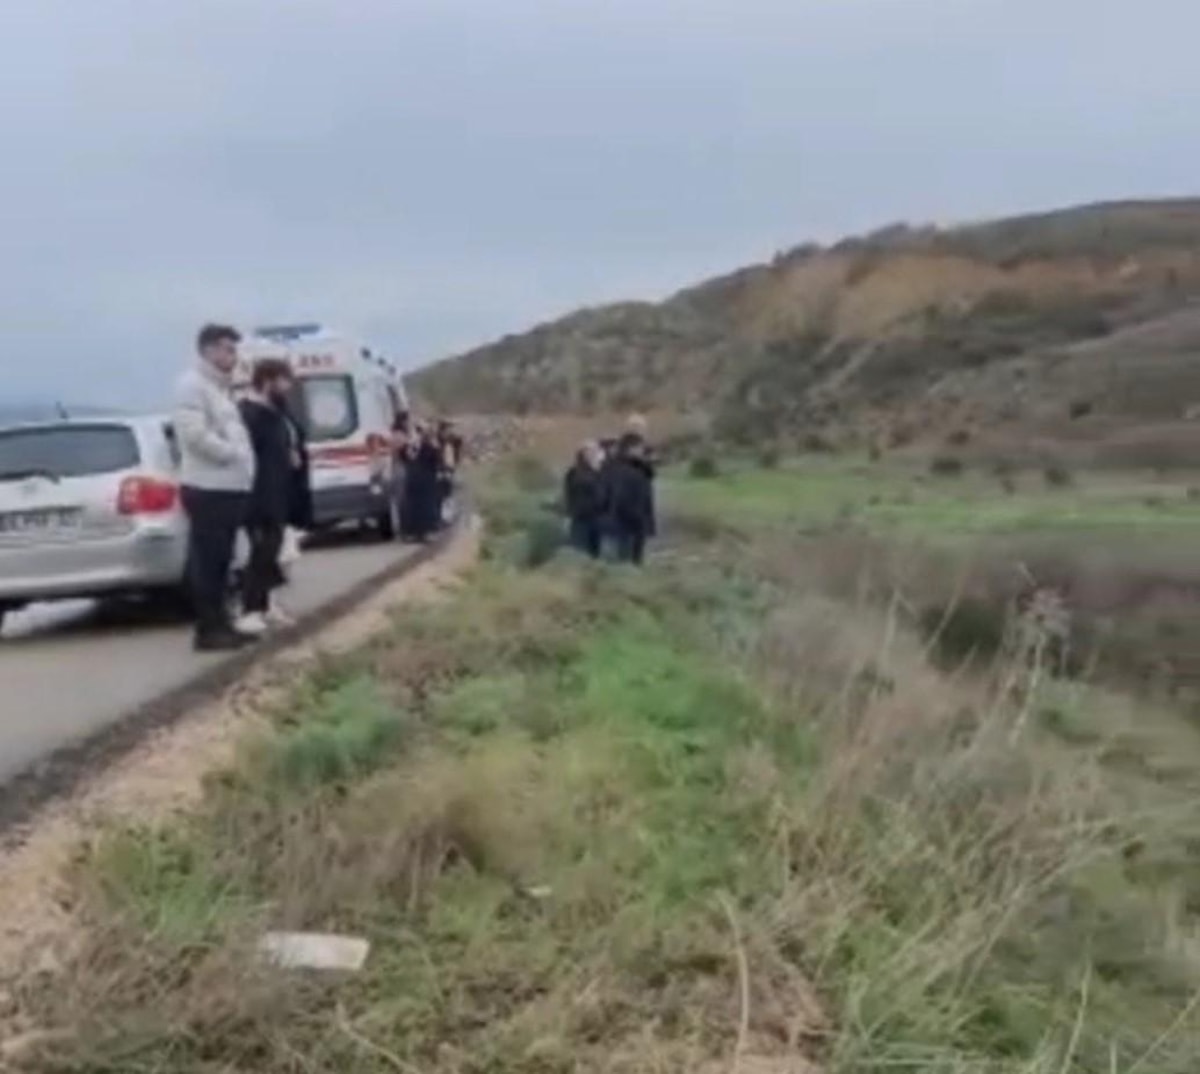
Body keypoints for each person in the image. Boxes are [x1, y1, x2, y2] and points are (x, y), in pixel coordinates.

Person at [174, 324, 256, 652]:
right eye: (227, 349)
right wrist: (232, 455)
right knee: (208, 562)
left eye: (234, 350)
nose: (233, 356)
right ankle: (209, 629)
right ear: (208, 350)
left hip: (229, 487)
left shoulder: (219, 389)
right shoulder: (191, 386)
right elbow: (194, 435)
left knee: (223, 561)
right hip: (209, 487)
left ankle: (222, 623)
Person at [237, 358, 298, 633]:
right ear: (268, 381)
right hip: (258, 497)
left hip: (278, 494)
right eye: (284, 381)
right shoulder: (250, 415)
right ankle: (251, 609)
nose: (288, 387)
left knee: (274, 553)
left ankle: (267, 604)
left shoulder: (276, 413)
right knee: (261, 553)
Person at [608, 434, 655, 566]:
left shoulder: (639, 466)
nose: (642, 450)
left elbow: (648, 482)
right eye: (639, 447)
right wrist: (636, 515)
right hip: (626, 521)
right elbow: (620, 496)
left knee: (636, 558)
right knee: (625, 559)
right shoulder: (619, 467)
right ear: (630, 449)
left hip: (639, 519)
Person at [563, 440, 606, 558]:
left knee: (596, 552)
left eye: (595, 451)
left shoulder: (601, 471)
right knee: (580, 551)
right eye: (590, 452)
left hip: (598, 517)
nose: (593, 454)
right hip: (581, 517)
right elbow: (571, 492)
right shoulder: (575, 472)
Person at [401, 423, 442, 541]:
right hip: (420, 479)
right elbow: (435, 460)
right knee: (419, 506)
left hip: (417, 479)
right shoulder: (422, 446)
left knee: (418, 506)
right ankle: (417, 532)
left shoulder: (416, 446)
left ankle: (418, 532)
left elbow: (404, 457)